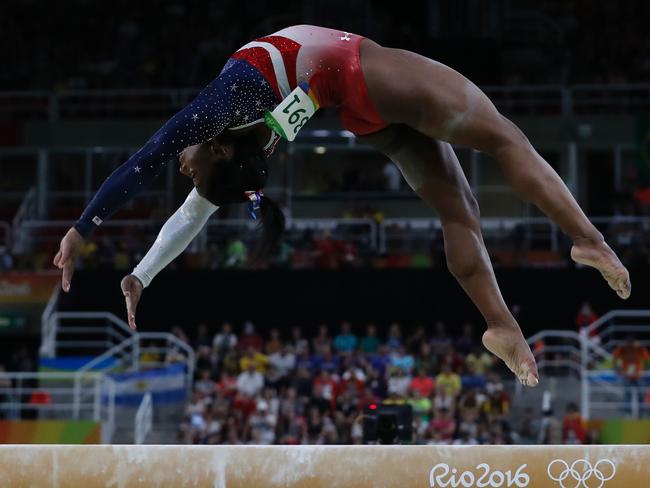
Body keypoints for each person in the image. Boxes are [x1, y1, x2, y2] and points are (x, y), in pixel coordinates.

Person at [54, 25, 632, 387]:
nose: (183, 165)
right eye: (193, 168)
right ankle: (588, 239)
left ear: (219, 152)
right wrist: (83, 231)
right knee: (506, 138)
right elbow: (155, 165)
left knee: (461, 209)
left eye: (190, 167)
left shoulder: (240, 132)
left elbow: (185, 203)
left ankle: (501, 326)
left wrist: (139, 273)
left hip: (354, 106)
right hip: (361, 72)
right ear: (219, 150)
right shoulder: (221, 118)